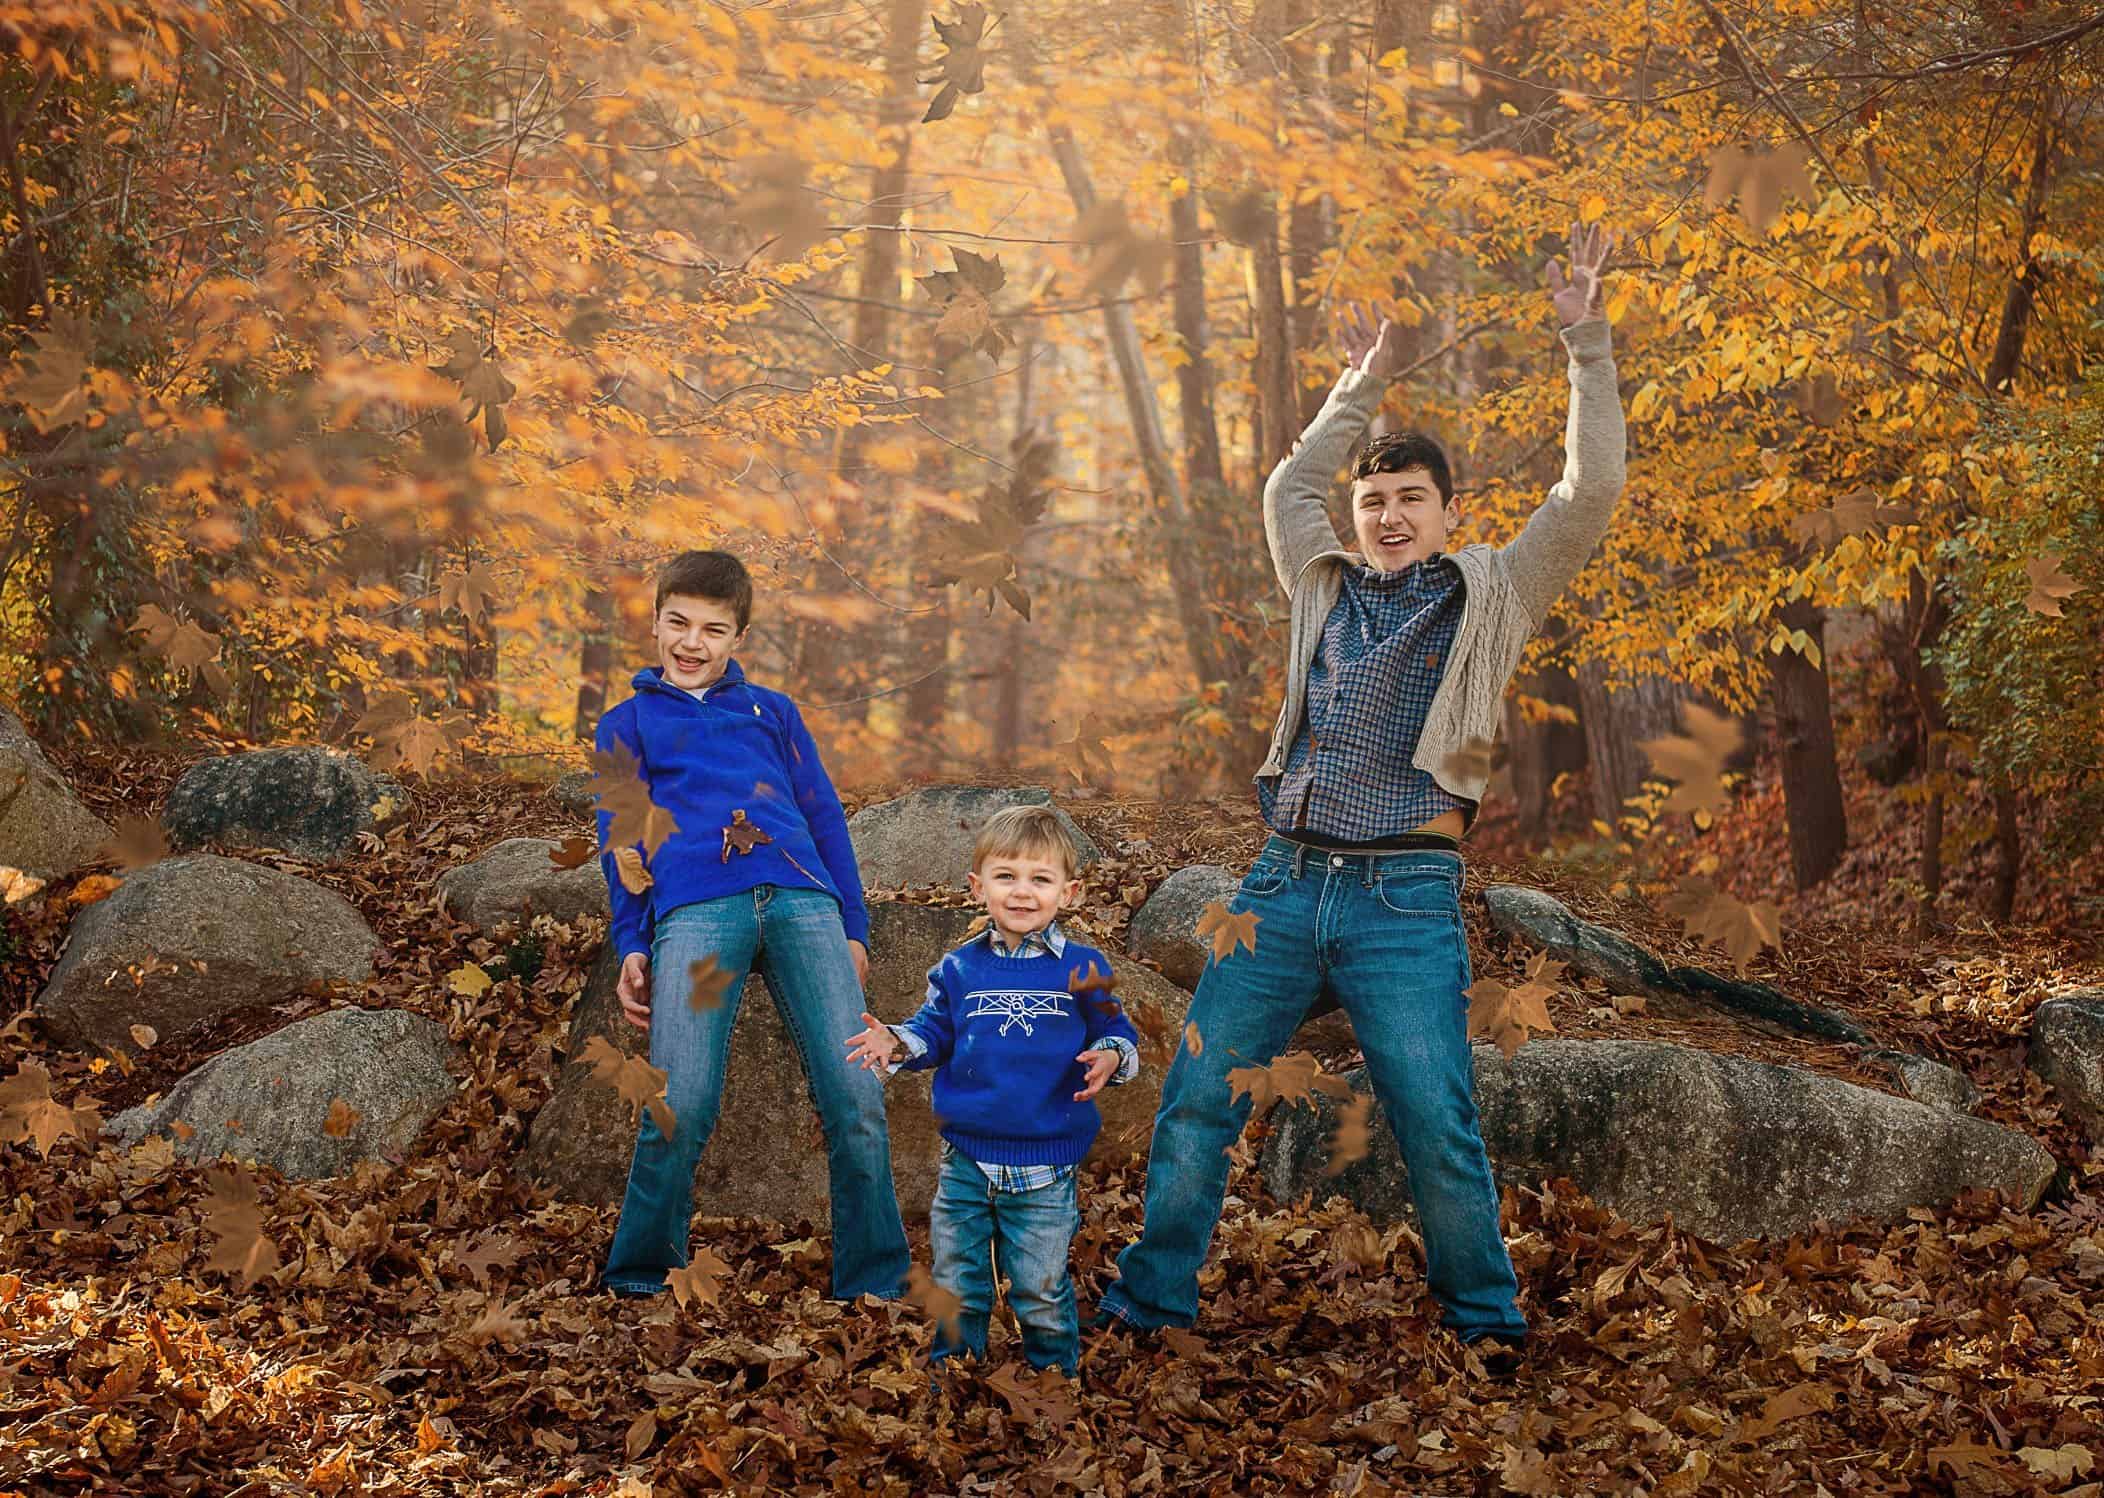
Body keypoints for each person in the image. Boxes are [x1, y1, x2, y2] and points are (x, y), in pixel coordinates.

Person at [1091, 223, 1626, 1374]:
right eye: (1374, 497)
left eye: (1410, 499)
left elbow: (1588, 494)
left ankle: (1485, 1322)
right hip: (1279, 886)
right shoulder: (1320, 582)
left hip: (1406, 898)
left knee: (1435, 1119)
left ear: (1447, 512)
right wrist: (1358, 383)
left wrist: (1584, 340)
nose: (1387, 515)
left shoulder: (1495, 592)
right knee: (1195, 1096)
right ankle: (1150, 1302)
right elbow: (1290, 484)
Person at [593, 548, 909, 1301]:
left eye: (713, 629)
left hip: (803, 903)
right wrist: (633, 944)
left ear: (738, 638)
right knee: (683, 1097)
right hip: (698, 909)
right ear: (656, 620)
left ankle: (873, 1284)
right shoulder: (624, 723)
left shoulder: (775, 712)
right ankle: (640, 1276)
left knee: (855, 1092)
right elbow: (622, 841)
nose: (691, 643)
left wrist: (854, 927)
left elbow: (825, 817)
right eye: (678, 623)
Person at [844, 806, 1141, 1377]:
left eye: (1040, 879)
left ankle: (1054, 1381)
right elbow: (933, 1032)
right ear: (978, 887)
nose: (1022, 892)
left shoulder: (1083, 967)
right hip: (966, 1162)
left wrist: (1110, 1056)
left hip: (1046, 1164)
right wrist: (898, 1043)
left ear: (1069, 892)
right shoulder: (959, 969)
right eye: (1006, 876)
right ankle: (953, 1376)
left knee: (1040, 1286)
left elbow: (1116, 1030)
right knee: (959, 1281)